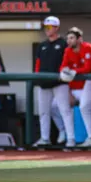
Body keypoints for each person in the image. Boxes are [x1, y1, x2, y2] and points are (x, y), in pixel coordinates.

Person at [33, 16, 75, 148]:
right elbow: (38, 65)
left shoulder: (63, 44)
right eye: (46, 27)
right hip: (44, 83)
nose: (47, 30)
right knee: (43, 112)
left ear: (56, 28)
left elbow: (69, 63)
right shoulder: (42, 45)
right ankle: (44, 138)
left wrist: (70, 87)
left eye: (50, 27)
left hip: (60, 82)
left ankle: (71, 139)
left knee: (65, 110)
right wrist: (37, 78)